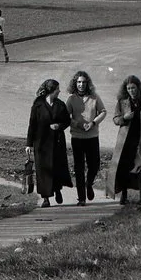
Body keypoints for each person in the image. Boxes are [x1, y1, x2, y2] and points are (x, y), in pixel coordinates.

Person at [107, 74, 141, 205]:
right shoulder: (122, 102)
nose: (131, 91)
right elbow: (115, 119)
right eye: (128, 89)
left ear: (139, 88)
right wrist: (125, 117)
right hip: (125, 142)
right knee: (124, 168)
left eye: (133, 88)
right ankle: (124, 195)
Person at [25, 79, 71, 207]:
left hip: (57, 142)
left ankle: (57, 190)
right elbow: (32, 124)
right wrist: (28, 144)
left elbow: (67, 121)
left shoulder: (60, 105)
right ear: (51, 90)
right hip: (41, 143)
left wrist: (59, 126)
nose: (59, 91)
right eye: (57, 89)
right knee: (43, 170)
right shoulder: (38, 105)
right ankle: (46, 198)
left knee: (56, 168)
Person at [66, 70, 107, 206]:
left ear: (87, 83)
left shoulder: (94, 97)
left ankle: (88, 184)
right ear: (75, 83)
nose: (81, 85)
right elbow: (66, 117)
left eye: (83, 82)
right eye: (78, 82)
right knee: (79, 168)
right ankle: (81, 198)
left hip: (92, 136)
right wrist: (77, 124)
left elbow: (103, 111)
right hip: (77, 137)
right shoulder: (71, 99)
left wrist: (93, 123)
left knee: (94, 165)